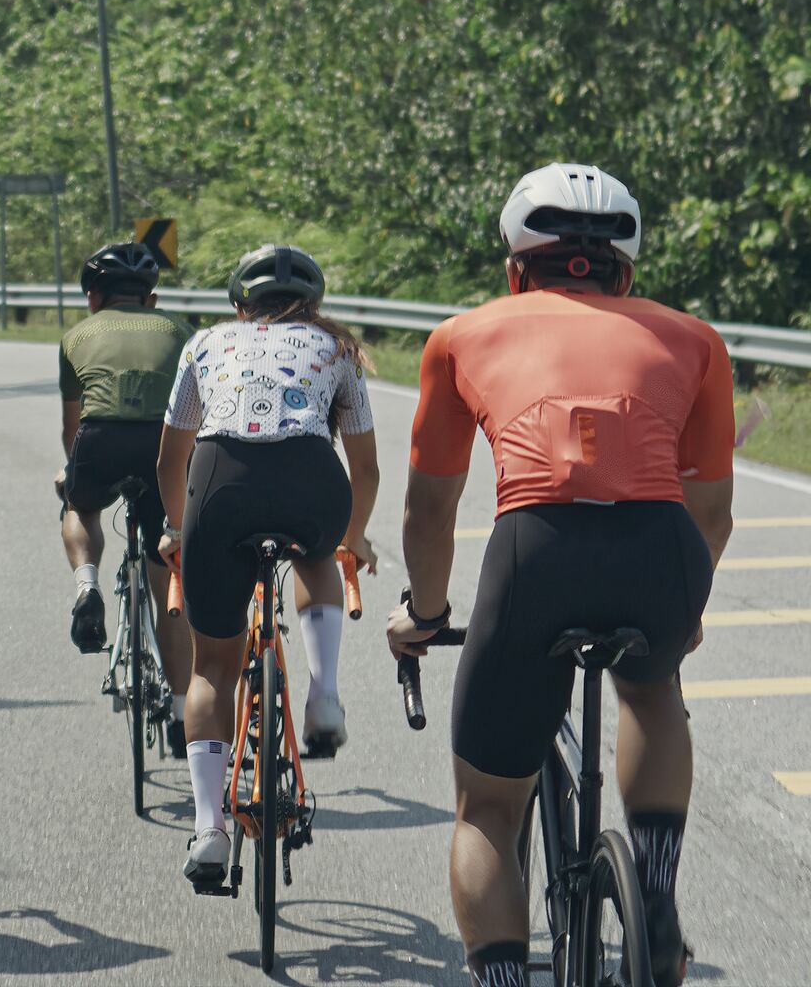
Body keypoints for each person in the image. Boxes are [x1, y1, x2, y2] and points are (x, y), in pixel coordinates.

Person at [387, 163, 734, 987]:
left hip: (535, 550)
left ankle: (505, 978)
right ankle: (653, 891)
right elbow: (710, 514)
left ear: (516, 266)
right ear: (628, 269)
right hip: (662, 549)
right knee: (651, 687)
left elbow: (429, 512)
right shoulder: (693, 339)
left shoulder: (463, 335)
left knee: (487, 809)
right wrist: (681, 613)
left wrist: (426, 613)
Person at [157, 245, 381, 890]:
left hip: (220, 485)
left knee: (212, 668)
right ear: (315, 307)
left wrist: (179, 529)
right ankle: (325, 694)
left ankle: (208, 829)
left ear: (237, 307)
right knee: (318, 553)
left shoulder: (206, 343)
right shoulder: (337, 348)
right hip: (311, 481)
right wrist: (353, 536)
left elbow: (172, 456)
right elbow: (364, 467)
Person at [55, 242, 194, 739]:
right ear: (151, 300)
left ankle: (87, 584)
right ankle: (181, 716)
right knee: (170, 586)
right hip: (165, 446)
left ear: (94, 299)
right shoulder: (181, 333)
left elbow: (73, 429)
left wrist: (71, 474)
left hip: (102, 439)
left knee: (82, 506)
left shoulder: (76, 336)